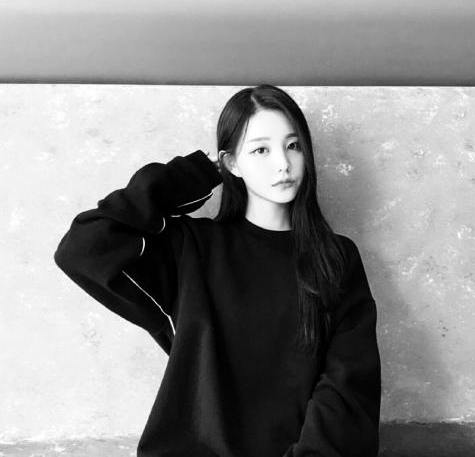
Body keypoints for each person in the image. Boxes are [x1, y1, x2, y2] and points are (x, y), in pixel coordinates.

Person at [54, 84, 381, 456]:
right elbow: (84, 247)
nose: (283, 164)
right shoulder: (192, 248)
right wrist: (199, 171)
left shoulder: (335, 258)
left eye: (293, 146)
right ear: (232, 163)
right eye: (260, 149)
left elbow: (348, 386)